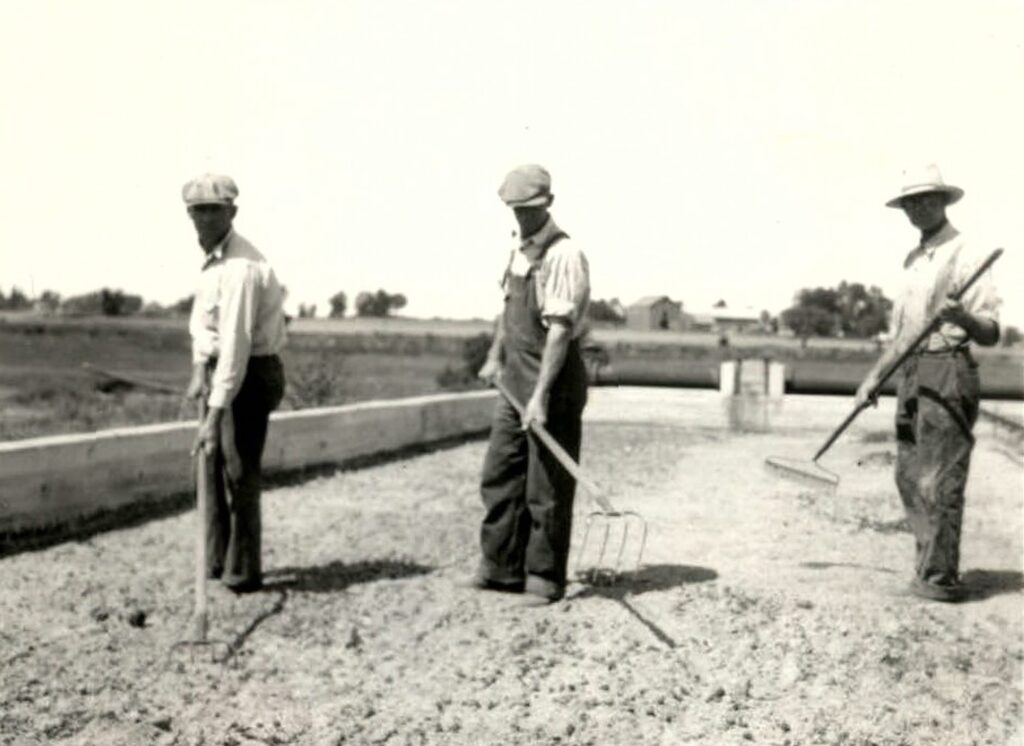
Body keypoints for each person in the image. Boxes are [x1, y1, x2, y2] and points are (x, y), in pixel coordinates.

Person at [855, 164, 1000, 603]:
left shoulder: (966, 253)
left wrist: (962, 318)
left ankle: (940, 578)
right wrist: (872, 379)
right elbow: (903, 333)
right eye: (909, 203)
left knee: (941, 478)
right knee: (908, 474)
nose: (917, 208)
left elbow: (991, 331)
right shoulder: (914, 259)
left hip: (949, 368)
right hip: (913, 370)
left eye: (925, 200)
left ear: (942, 201)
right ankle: (927, 565)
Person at [467, 164, 591, 606]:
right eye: (515, 210)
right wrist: (493, 355)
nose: (521, 218)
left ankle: (543, 578)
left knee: (547, 486)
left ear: (548, 205)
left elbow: (559, 332)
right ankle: (500, 567)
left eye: (528, 210)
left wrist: (539, 396)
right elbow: (508, 309)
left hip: (552, 382)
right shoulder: (518, 250)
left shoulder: (564, 254)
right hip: (514, 378)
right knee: (500, 474)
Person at [183, 173, 287, 594]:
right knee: (208, 465)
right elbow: (203, 325)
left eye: (213, 210)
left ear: (232, 212)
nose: (204, 218)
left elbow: (236, 347)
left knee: (238, 473)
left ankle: (242, 571)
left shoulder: (241, 268)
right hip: (220, 370)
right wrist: (196, 370)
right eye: (197, 211)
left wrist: (215, 412)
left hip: (249, 374)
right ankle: (215, 560)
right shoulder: (213, 260)